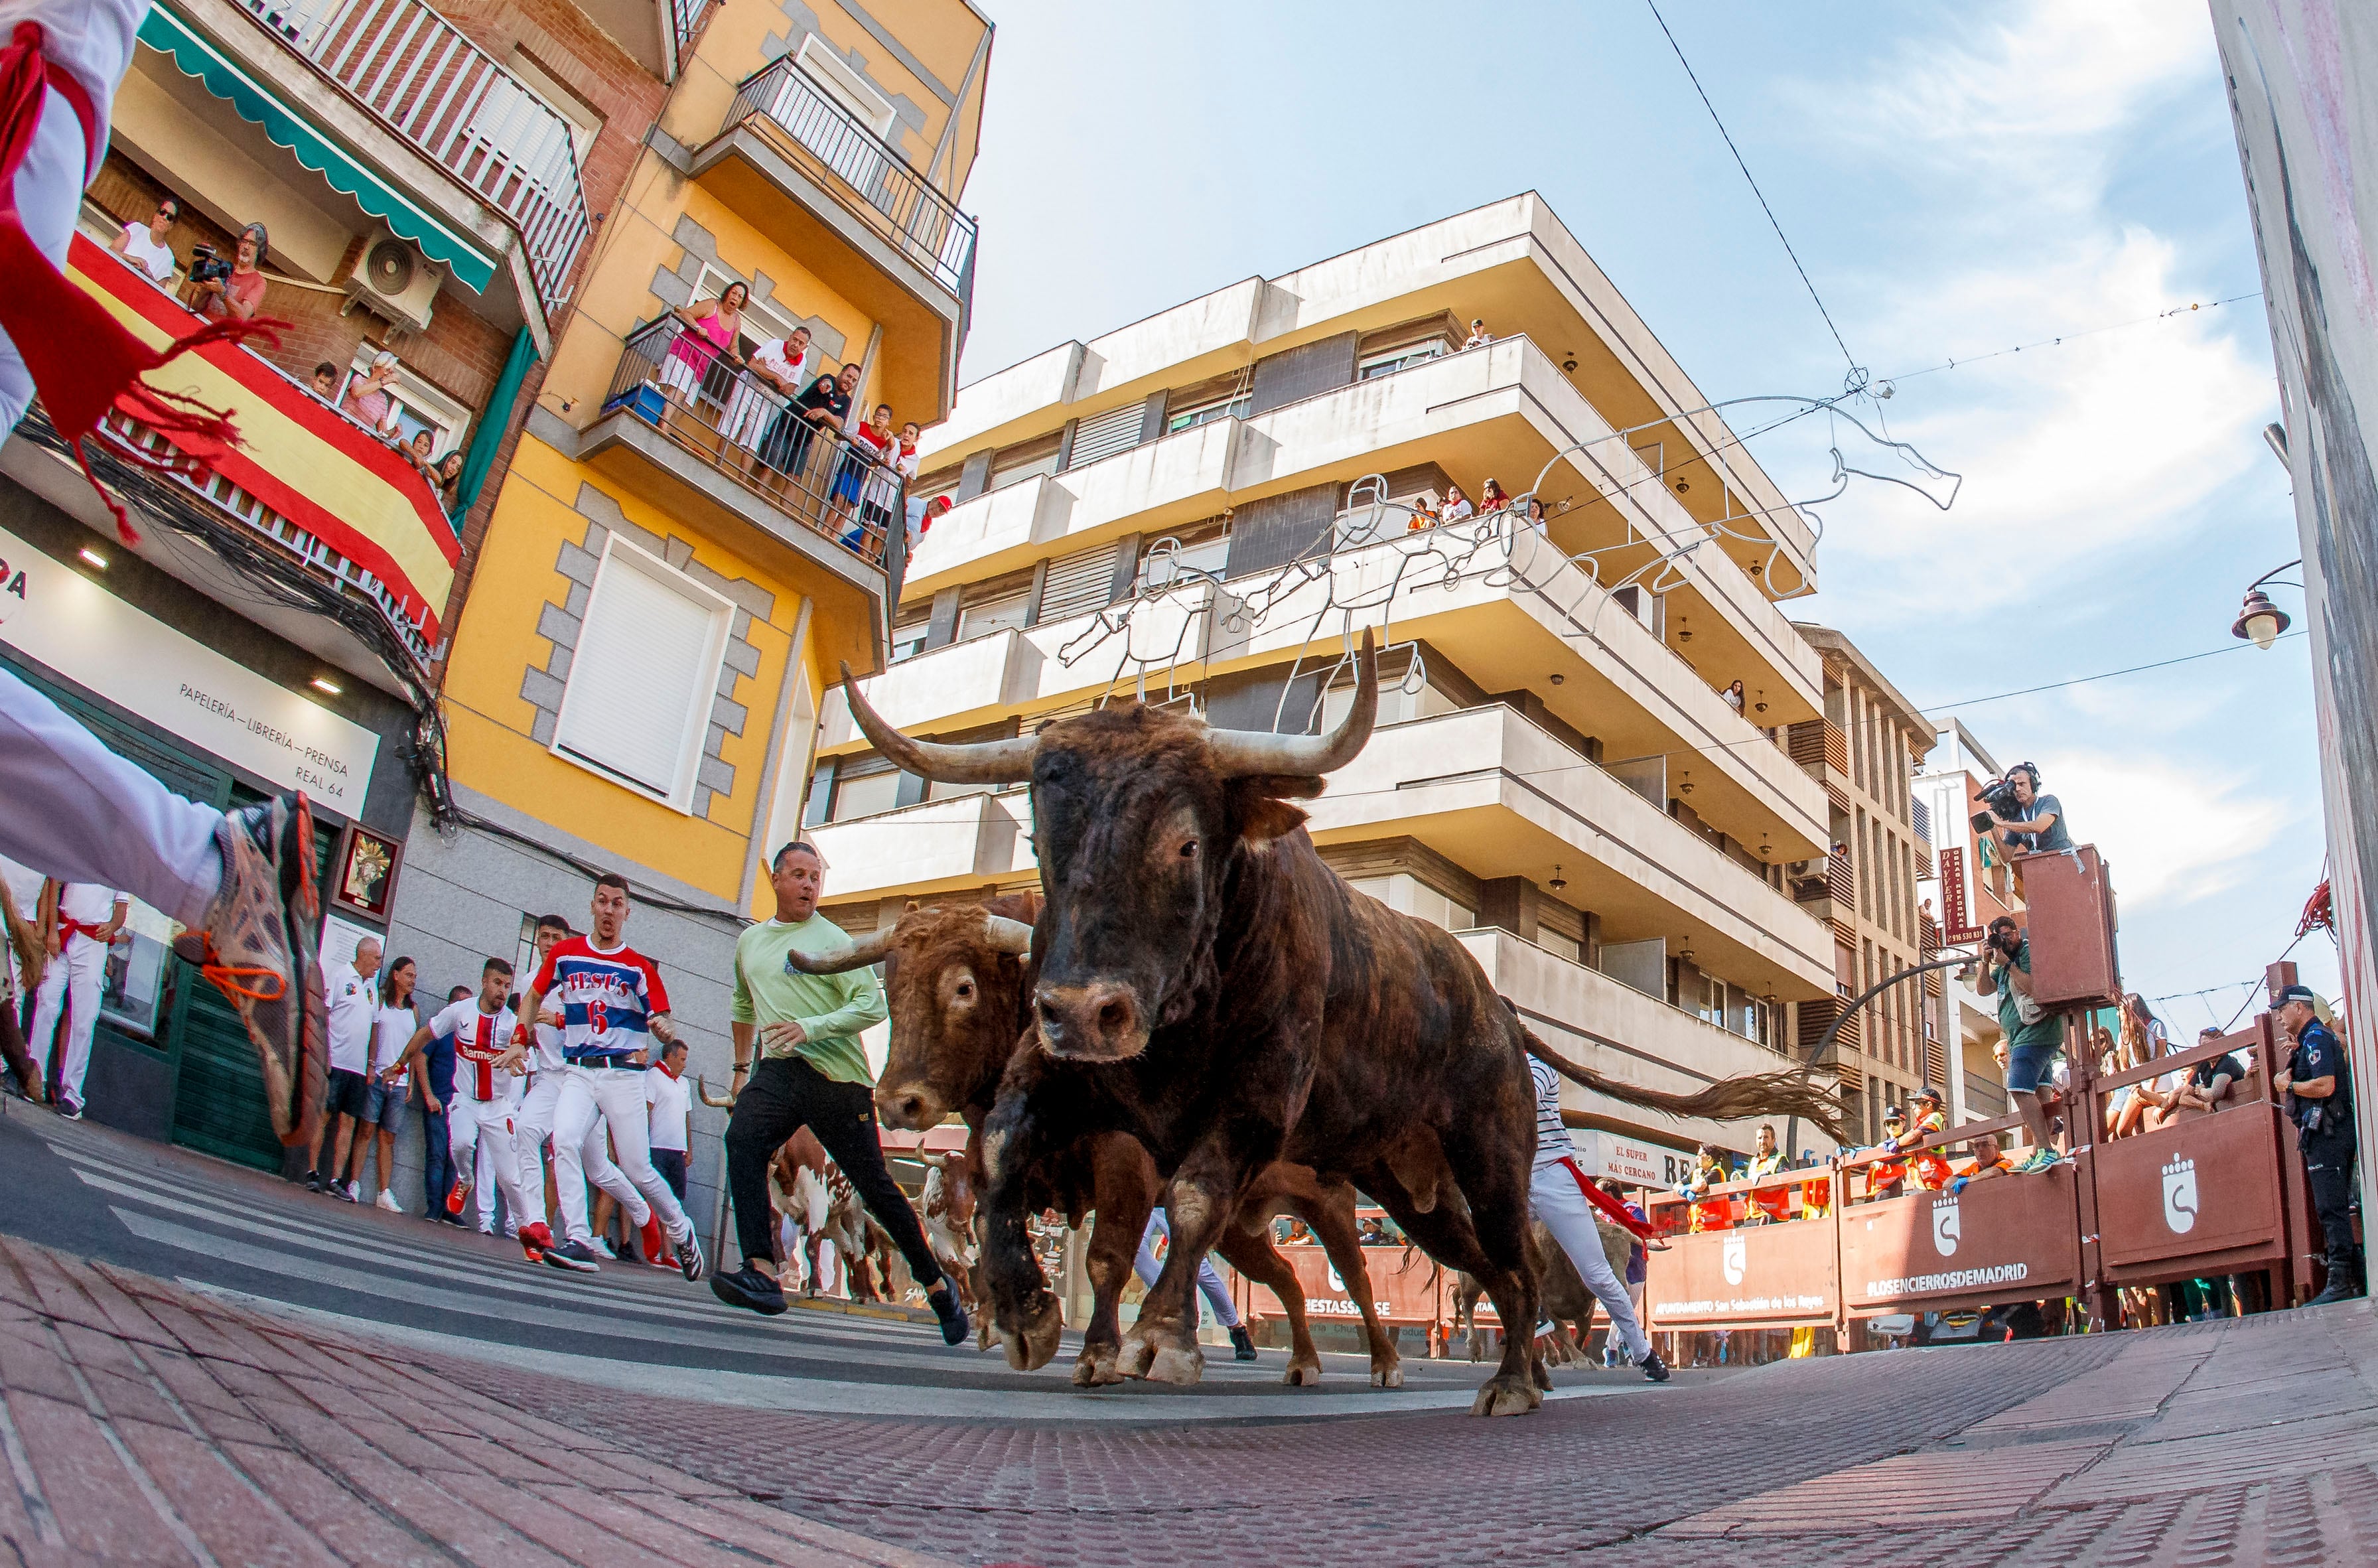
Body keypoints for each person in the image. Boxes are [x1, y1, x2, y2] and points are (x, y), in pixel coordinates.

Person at [708, 842, 968, 1342]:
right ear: (778, 880)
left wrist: (809, 1027)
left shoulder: (832, 940)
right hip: (779, 1070)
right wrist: (742, 1070)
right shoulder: (751, 944)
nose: (809, 885)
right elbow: (743, 1005)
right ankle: (762, 1269)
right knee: (742, 1139)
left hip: (838, 1081)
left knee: (874, 1186)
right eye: (799, 875)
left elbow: (870, 1007)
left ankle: (938, 1287)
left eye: (816, 877)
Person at [500, 876, 705, 1279]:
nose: (609, 911)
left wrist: (663, 1027)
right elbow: (533, 996)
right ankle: (578, 1239)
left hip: (624, 1076)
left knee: (636, 1166)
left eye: (617, 904)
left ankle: (681, 1231)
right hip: (578, 1071)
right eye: (602, 902)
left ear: (628, 912)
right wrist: (520, 1039)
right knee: (564, 1140)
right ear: (592, 907)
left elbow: (665, 1016)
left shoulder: (638, 967)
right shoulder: (566, 953)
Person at [506, 911, 664, 1269]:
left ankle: (644, 1215)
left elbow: (599, 1023)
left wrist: (560, 1019)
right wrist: (518, 1044)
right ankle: (538, 1226)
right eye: (543, 937)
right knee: (527, 1130)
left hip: (585, 1078)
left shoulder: (584, 972)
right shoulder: (531, 983)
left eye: (555, 938)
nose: (549, 944)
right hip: (550, 1078)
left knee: (598, 1168)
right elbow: (527, 1024)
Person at [1530, 1053, 1668, 1380]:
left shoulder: (1536, 1065)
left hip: (1552, 1177)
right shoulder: (1493, 1062)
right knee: (1485, 1242)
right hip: (1515, 1175)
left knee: (1597, 1274)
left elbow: (1520, 1103)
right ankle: (1534, 1312)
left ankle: (1643, 1353)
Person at [410, 958, 535, 1242]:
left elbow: (524, 1044)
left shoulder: (511, 1024)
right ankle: (465, 1181)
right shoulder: (461, 1012)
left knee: (510, 1177)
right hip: (465, 1099)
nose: (502, 991)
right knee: (462, 1143)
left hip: (499, 1107)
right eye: (497, 983)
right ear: (484, 982)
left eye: (507, 985)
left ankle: (527, 1231)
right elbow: (425, 1037)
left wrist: (519, 1052)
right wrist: (398, 1064)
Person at [2273, 983, 2361, 1304]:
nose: (2279, 1016)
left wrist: (2290, 1085)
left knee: (2332, 1208)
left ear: (2300, 1007)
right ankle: (2347, 1279)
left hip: (2330, 1133)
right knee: (2330, 1208)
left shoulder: (2317, 1038)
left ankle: (2341, 1282)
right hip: (2320, 1134)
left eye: (2283, 1009)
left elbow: (2326, 1086)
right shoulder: (2309, 1041)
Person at [25, 879, 126, 1119]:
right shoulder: (80, 852)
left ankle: (73, 1093)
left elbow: (121, 910)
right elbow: (54, 884)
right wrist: (51, 930)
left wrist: (111, 926)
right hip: (63, 931)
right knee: (47, 1001)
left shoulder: (116, 865)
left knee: (84, 1017)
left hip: (92, 942)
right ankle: (34, 1078)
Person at [1975, 915, 2063, 1171]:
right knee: (2040, 1092)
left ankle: (2046, 1148)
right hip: (2023, 1036)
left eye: (2007, 934)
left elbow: (2036, 988)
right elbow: (1983, 989)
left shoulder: (2026, 953)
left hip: (2035, 1032)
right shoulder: (2002, 962)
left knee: (2019, 1089)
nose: (2003, 941)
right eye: (1997, 937)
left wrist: (2009, 965)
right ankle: (2039, 1152)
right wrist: (1985, 960)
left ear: (2017, 932)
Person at [306, 936, 382, 1198]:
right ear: (363, 955)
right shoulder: (341, 976)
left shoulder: (373, 989)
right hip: (336, 1061)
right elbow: (324, 1016)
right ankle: (312, 1171)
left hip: (358, 1069)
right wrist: (324, 1054)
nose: (378, 964)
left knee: (348, 1122)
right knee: (325, 1115)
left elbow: (374, 1028)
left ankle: (336, 1178)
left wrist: (371, 1064)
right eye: (376, 958)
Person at [1133, 1208, 1258, 1361]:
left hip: (1172, 1201)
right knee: (1136, 1250)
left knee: (1200, 1269)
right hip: (1148, 1200)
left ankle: (1237, 1329)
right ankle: (1170, 1298)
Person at [357, 955, 420, 1212]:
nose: (413, 980)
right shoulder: (380, 1001)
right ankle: (353, 1183)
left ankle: (383, 1192)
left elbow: (415, 1049)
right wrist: (371, 1066)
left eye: (415, 977)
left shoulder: (413, 1010)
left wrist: (412, 1082)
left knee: (388, 1137)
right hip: (377, 1075)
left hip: (401, 1082)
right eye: (409, 975)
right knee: (365, 1130)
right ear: (395, 975)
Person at [658, 281, 747, 411]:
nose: (735, 297)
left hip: (701, 367)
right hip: (684, 355)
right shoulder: (712, 305)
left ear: (742, 302)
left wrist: (736, 356)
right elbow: (686, 314)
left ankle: (663, 428)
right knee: (676, 396)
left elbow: (733, 347)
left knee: (686, 407)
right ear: (727, 293)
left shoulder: (736, 320)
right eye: (734, 293)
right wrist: (698, 327)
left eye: (740, 296)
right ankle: (662, 428)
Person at [739, 324, 811, 469]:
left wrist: (764, 371)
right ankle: (717, 463)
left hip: (766, 401)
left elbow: (789, 390)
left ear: (805, 347)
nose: (796, 345)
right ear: (790, 337)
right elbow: (752, 364)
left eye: (801, 343)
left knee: (753, 442)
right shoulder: (775, 344)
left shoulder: (802, 362)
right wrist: (776, 377)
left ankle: (742, 480)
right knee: (731, 423)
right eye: (795, 340)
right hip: (748, 387)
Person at [776, 362, 857, 488]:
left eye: (854, 380)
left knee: (795, 480)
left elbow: (839, 424)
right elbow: (825, 383)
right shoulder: (829, 379)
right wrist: (825, 385)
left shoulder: (846, 401)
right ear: (841, 373)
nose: (850, 381)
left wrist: (824, 413)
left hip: (805, 439)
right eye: (848, 376)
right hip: (787, 425)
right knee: (770, 465)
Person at [1982, 762, 2072, 855]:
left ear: (2033, 784)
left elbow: (2039, 827)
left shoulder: (2049, 801)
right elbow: (2006, 857)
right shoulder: (2016, 819)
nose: (2017, 789)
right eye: (2014, 787)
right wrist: (1992, 826)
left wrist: (2002, 823)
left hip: (2063, 858)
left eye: (2022, 784)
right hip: (2038, 864)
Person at [188, 222, 268, 321]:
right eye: (244, 241)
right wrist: (203, 286)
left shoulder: (259, 282)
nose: (246, 247)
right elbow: (194, 308)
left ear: (259, 250)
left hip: (223, 336)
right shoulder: (224, 267)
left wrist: (222, 293)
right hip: (200, 326)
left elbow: (243, 317)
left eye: (252, 244)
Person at [646, 1036, 692, 1204]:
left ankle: (669, 1231)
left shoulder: (685, 1083)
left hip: (678, 1150)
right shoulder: (653, 1076)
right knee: (656, 1195)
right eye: (682, 1060)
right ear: (670, 1057)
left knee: (676, 1197)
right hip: (657, 1146)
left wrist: (689, 1149)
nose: (684, 1064)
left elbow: (687, 1117)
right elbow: (647, 1110)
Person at [2170, 1027, 2245, 1119]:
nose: (2205, 1049)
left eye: (2208, 1045)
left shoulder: (2227, 1062)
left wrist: (2201, 1091)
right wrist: (2202, 1105)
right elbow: (2184, 1098)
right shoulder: (2204, 1066)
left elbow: (2216, 1093)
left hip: (2239, 1111)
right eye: (2202, 1046)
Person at [107, 194, 176, 286]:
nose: (164, 218)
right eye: (162, 212)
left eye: (170, 217)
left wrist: (148, 277)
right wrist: (130, 258)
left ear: (171, 226)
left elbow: (159, 293)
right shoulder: (137, 228)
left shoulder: (168, 258)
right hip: (113, 280)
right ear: (155, 215)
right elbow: (111, 250)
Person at [341, 352, 403, 439]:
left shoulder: (383, 400)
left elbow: (383, 433)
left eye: (391, 372)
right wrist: (383, 382)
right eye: (387, 370)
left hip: (358, 439)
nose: (389, 375)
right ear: (376, 367)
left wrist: (395, 430)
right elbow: (357, 393)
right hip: (341, 427)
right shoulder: (359, 380)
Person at [1949, 1131, 2016, 1194]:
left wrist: (1969, 1180)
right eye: (1977, 1146)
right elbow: (1947, 1183)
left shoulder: (2007, 1163)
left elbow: (1993, 1173)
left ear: (1996, 1149)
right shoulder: (1975, 1167)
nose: (1980, 1150)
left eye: (1985, 1145)